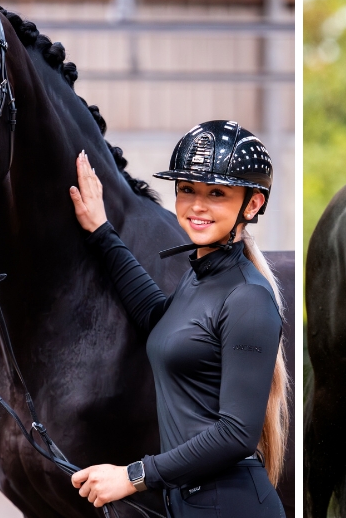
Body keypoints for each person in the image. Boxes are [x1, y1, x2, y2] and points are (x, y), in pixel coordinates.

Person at [66, 120, 288, 517]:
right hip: (189, 503)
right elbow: (160, 322)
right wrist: (102, 232)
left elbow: (237, 434)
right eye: (187, 190)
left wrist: (132, 476)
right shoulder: (199, 277)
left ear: (252, 204)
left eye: (216, 193)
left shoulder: (248, 298)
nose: (197, 206)